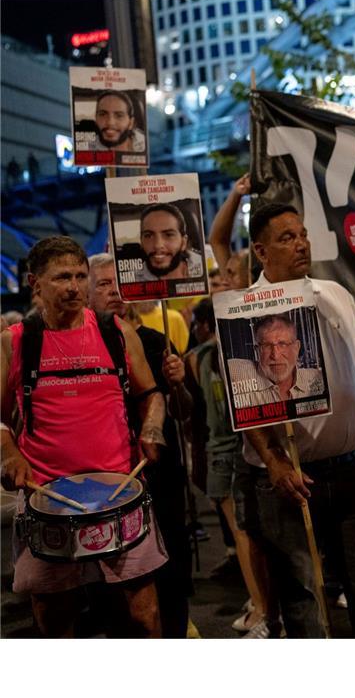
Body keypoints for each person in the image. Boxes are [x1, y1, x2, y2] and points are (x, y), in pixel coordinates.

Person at [0, 236, 166, 637]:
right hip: (47, 501)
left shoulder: (116, 332)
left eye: (80, 275)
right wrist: (9, 455)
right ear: (35, 283)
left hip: (121, 493)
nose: (74, 286)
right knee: (56, 619)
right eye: (61, 278)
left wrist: (151, 428)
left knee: (144, 614)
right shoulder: (15, 342)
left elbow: (151, 395)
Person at [241, 202, 355, 638]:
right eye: (286, 237)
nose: (301, 243)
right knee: (301, 595)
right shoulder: (243, 310)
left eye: (302, 234)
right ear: (261, 251)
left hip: (347, 469)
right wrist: (274, 462)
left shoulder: (335, 294)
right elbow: (245, 401)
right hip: (288, 480)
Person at [88, 253, 194, 638]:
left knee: (172, 580)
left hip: (161, 478)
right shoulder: (82, 349)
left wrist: (179, 383)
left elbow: (185, 413)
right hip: (112, 485)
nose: (114, 292)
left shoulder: (155, 341)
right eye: (102, 285)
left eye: (118, 284)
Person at [185, 298, 278, 638]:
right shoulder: (229, 354)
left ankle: (264, 610)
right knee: (255, 533)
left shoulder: (201, 357)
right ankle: (262, 605)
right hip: (241, 448)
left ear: (207, 325)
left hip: (229, 449)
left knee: (245, 535)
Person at [226, 314, 326, 407]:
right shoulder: (235, 372)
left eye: (282, 344)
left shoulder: (318, 379)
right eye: (267, 346)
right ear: (257, 350)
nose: (275, 356)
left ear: (296, 348)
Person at [136, 203, 204, 282]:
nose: (158, 245)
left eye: (168, 235)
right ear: (141, 242)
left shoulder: (206, 266)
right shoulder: (134, 280)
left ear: (183, 242)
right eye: (148, 235)